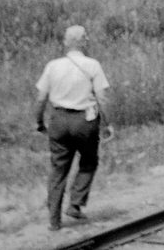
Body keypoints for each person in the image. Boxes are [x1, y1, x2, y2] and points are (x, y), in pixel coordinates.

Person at [33, 24, 111, 232]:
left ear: (66, 42)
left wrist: (39, 121)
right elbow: (102, 98)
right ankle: (75, 204)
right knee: (88, 161)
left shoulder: (53, 66)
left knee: (58, 169)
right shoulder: (93, 65)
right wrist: (108, 123)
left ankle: (54, 220)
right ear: (84, 41)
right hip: (85, 121)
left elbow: (41, 98)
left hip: (58, 120)